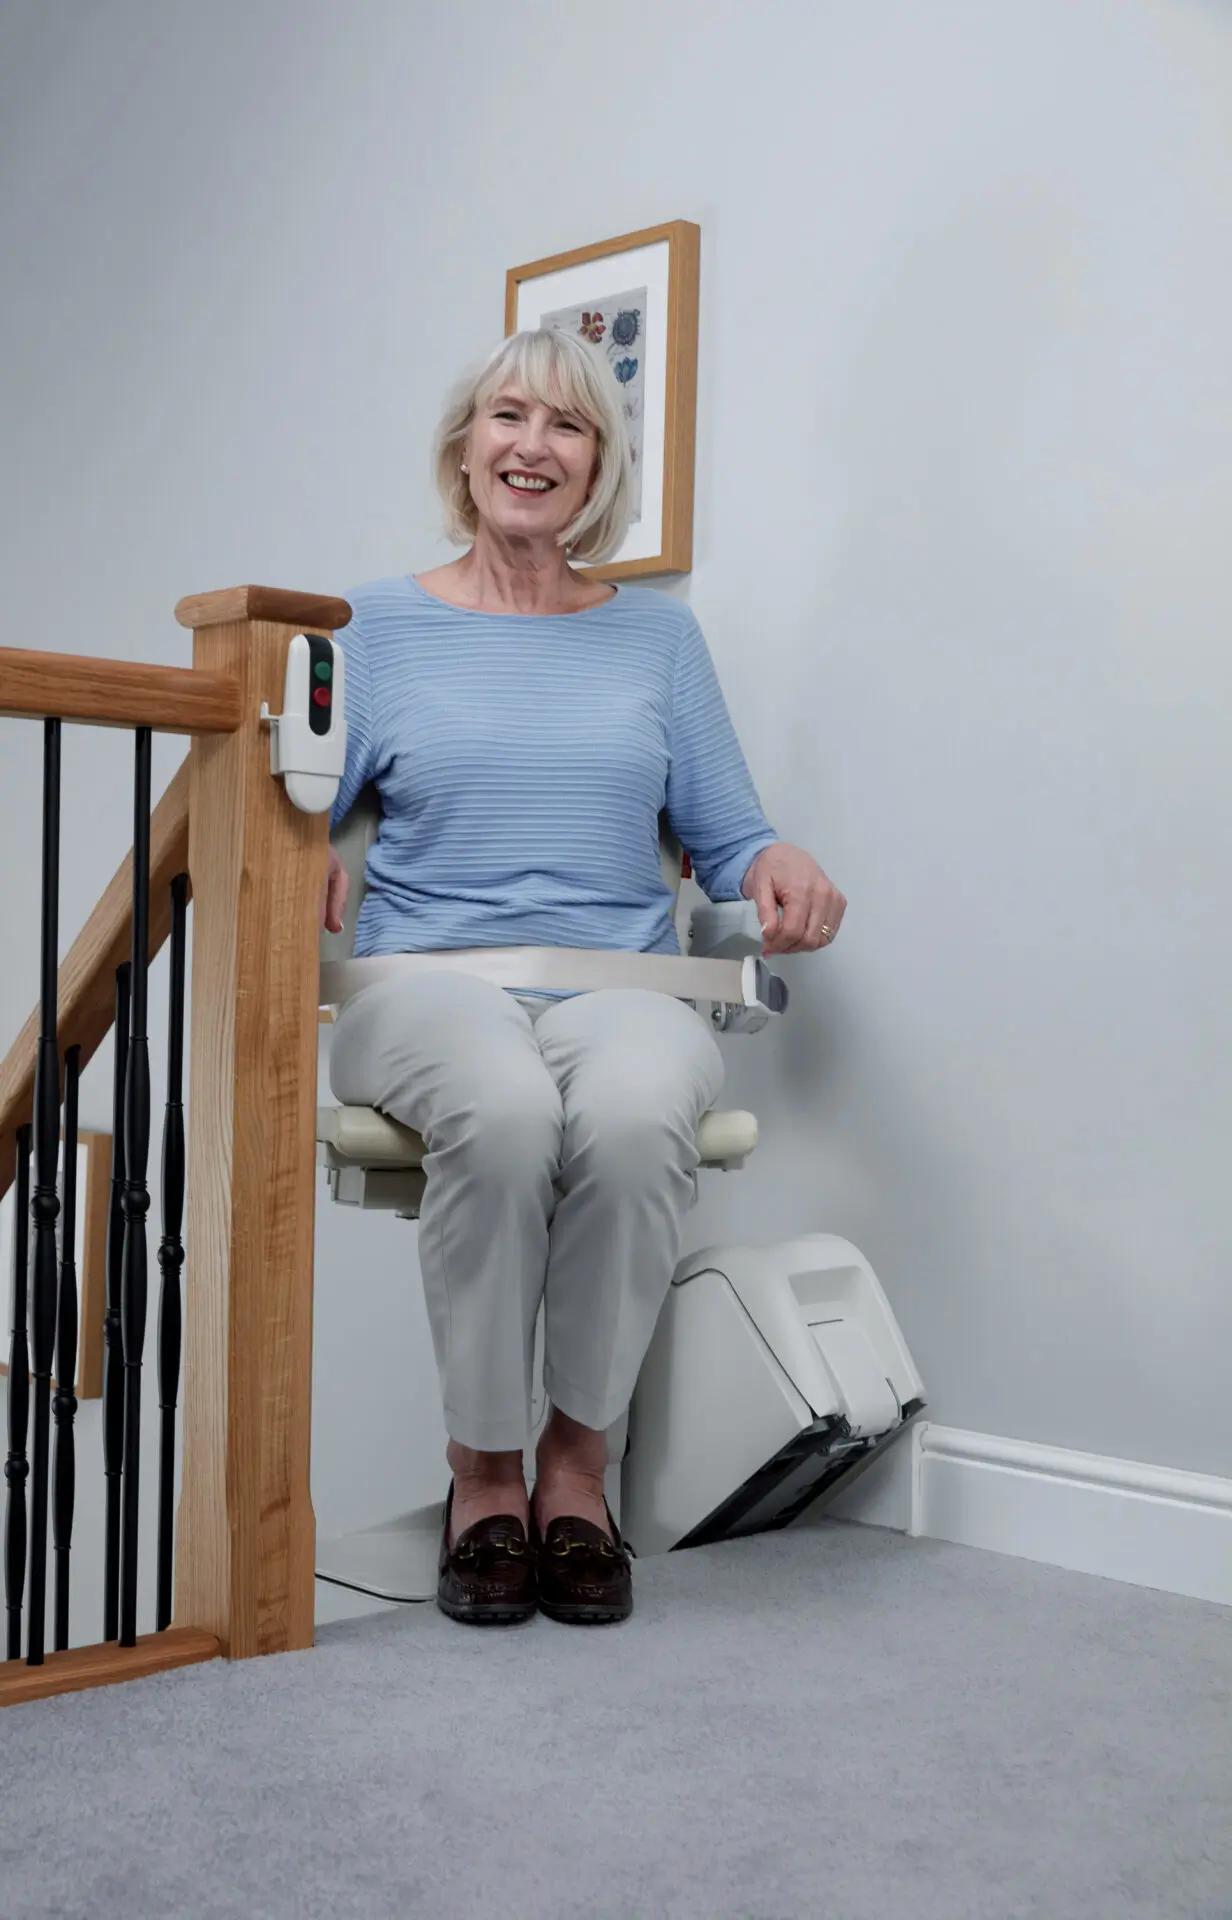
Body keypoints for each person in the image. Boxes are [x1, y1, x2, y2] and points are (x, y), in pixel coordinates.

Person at [323, 328, 846, 1626]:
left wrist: (779, 862)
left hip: (622, 981)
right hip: (427, 983)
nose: (532, 447)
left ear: (598, 466)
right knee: (503, 1107)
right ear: (466, 445)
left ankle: (576, 1473)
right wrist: (300, 857)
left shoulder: (658, 644)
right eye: (509, 416)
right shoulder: (375, 627)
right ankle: (483, 1479)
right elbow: (296, 810)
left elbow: (728, 832)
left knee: (632, 1107)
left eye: (567, 428)